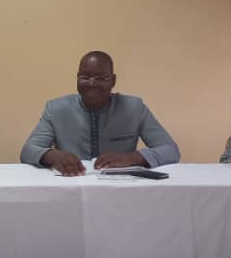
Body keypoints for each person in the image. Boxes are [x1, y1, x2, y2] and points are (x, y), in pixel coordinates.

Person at [20, 51, 180, 176]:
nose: (92, 84)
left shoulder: (134, 108)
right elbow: (28, 150)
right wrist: (54, 156)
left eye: (101, 78)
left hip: (120, 189)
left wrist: (131, 158)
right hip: (71, 185)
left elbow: (170, 150)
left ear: (113, 80)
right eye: (85, 77)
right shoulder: (56, 109)